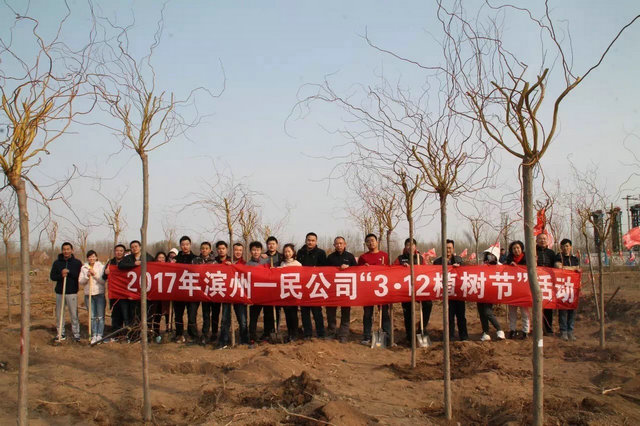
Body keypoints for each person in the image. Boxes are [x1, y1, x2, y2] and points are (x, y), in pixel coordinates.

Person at [118, 240, 155, 341]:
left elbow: (155, 267)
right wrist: (134, 264)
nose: (134, 248)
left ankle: (147, 336)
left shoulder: (148, 257)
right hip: (133, 292)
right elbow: (120, 265)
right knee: (134, 314)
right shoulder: (128, 258)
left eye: (136, 246)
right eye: (132, 247)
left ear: (140, 247)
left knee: (147, 314)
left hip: (146, 291)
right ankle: (135, 335)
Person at [395, 238, 429, 345]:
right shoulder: (400, 259)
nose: (410, 247)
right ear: (405, 247)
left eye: (412, 245)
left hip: (419, 289)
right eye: (408, 245)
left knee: (428, 304)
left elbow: (427, 272)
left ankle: (422, 327)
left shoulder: (420, 258)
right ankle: (410, 336)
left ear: (415, 247)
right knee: (408, 312)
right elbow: (393, 271)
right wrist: (401, 268)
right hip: (406, 290)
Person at [359, 234, 390, 346]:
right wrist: (363, 268)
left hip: (382, 289)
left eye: (372, 240)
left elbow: (391, 271)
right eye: (368, 241)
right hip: (368, 290)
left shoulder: (384, 256)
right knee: (367, 313)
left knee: (384, 313)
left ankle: (387, 335)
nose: (371, 243)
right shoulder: (363, 257)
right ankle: (367, 336)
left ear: (377, 242)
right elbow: (358, 272)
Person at [217, 241, 249, 348]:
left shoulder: (245, 264)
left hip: (240, 296)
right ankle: (223, 341)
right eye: (236, 250)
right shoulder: (225, 263)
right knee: (225, 320)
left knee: (243, 320)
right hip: (228, 295)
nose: (238, 252)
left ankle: (244, 340)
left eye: (240, 250)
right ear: (232, 250)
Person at [325, 236, 357, 343]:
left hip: (345, 288)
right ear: (334, 245)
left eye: (341, 243)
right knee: (330, 312)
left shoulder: (350, 256)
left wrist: (349, 268)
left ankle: (343, 334)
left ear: (345, 244)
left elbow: (357, 270)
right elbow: (325, 272)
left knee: (345, 312)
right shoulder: (330, 258)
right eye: (337, 244)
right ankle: (331, 332)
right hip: (332, 289)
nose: (339, 245)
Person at [434, 240, 467, 341]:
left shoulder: (459, 260)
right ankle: (449, 336)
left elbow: (465, 273)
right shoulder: (437, 262)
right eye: (446, 248)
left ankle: (464, 336)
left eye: (450, 248)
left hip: (458, 292)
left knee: (461, 315)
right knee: (449, 316)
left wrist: (459, 268)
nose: (448, 250)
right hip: (446, 293)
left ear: (453, 249)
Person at [50, 242, 83, 342]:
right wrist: (61, 275)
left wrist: (69, 272)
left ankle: (76, 334)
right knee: (59, 314)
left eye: (68, 249)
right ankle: (60, 333)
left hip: (72, 292)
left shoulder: (77, 263)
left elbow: (79, 276)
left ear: (72, 250)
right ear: (62, 250)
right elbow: (52, 276)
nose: (66, 251)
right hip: (60, 292)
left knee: (74, 314)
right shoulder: (57, 263)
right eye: (64, 249)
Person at [297, 232, 327, 339]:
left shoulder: (321, 253)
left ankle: (320, 333)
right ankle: (307, 333)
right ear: (305, 241)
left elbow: (325, 269)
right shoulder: (300, 252)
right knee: (304, 311)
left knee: (317, 311)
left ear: (316, 241)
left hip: (316, 285)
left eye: (313, 240)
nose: (310, 242)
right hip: (303, 285)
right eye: (309, 240)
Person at [554, 238, 580, 341]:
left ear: (571, 247)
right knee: (563, 310)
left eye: (567, 246)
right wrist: (573, 269)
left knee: (572, 310)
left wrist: (568, 268)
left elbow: (578, 269)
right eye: (563, 246)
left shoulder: (574, 258)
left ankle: (570, 331)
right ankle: (563, 331)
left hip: (572, 288)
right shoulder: (558, 257)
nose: (566, 248)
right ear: (561, 247)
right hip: (561, 287)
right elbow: (559, 267)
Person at [79, 250, 106, 344]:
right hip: (89, 295)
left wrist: (95, 274)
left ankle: (99, 335)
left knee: (100, 316)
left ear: (96, 257)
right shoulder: (84, 267)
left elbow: (103, 281)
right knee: (92, 316)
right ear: (87, 258)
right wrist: (87, 276)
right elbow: (81, 281)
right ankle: (94, 334)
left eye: (93, 256)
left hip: (99, 294)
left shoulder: (101, 267)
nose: (91, 258)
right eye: (90, 257)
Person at [478, 247, 505, 341]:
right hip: (481, 291)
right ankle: (485, 332)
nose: (490, 256)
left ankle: (499, 330)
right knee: (482, 313)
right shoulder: (483, 264)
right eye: (489, 254)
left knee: (487, 311)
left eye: (492, 255)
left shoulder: (499, 266)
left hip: (491, 292)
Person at [247, 241, 272, 342]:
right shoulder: (248, 264)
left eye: (258, 250)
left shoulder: (266, 261)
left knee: (268, 315)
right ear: (250, 251)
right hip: (255, 295)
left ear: (261, 251)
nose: (256, 252)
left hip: (266, 293)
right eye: (253, 250)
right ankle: (252, 336)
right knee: (253, 316)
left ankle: (267, 334)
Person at [193, 242, 217, 345]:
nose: (204, 250)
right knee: (205, 314)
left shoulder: (215, 262)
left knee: (215, 314)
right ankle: (205, 333)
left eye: (207, 248)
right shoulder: (195, 261)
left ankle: (214, 333)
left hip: (214, 291)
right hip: (202, 292)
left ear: (210, 250)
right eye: (203, 248)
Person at [103, 244, 127, 339]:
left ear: (124, 252)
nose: (119, 252)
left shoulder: (127, 262)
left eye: (121, 251)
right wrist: (106, 273)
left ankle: (127, 334)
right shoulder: (110, 263)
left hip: (125, 294)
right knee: (116, 315)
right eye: (117, 251)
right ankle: (116, 334)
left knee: (126, 315)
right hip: (114, 293)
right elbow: (104, 277)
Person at [506, 240, 529, 339]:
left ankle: (525, 331)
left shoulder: (527, 258)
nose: (516, 250)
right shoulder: (509, 259)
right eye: (514, 248)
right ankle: (512, 330)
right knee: (512, 312)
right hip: (512, 289)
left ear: (521, 248)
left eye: (518, 248)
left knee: (525, 312)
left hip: (524, 289)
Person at [279, 243, 301, 342]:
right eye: (285, 252)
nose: (287, 253)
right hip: (285, 292)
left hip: (294, 292)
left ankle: (295, 333)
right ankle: (289, 333)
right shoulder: (282, 264)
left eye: (289, 251)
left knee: (293, 314)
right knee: (287, 314)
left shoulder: (297, 264)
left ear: (293, 252)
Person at [536, 233, 557, 335]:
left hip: (547, 283)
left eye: (544, 238)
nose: (542, 240)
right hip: (536, 282)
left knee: (548, 306)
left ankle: (548, 328)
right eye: (540, 239)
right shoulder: (532, 252)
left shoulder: (551, 253)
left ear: (547, 240)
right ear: (536, 240)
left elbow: (556, 267)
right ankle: (537, 329)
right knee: (537, 306)